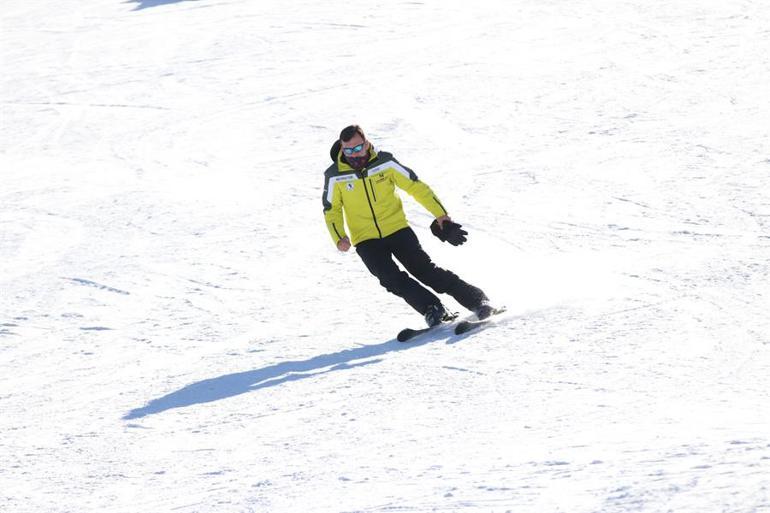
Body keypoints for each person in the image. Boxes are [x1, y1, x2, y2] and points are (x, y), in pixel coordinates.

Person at [322, 125, 494, 327]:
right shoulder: (334, 175)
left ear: (366, 143)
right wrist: (339, 236)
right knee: (390, 279)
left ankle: (477, 300)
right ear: (342, 148)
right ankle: (432, 308)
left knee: (425, 271)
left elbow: (416, 186)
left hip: (397, 229)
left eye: (358, 148)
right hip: (365, 239)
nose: (354, 154)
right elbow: (331, 208)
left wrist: (441, 216)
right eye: (348, 150)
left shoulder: (385, 162)